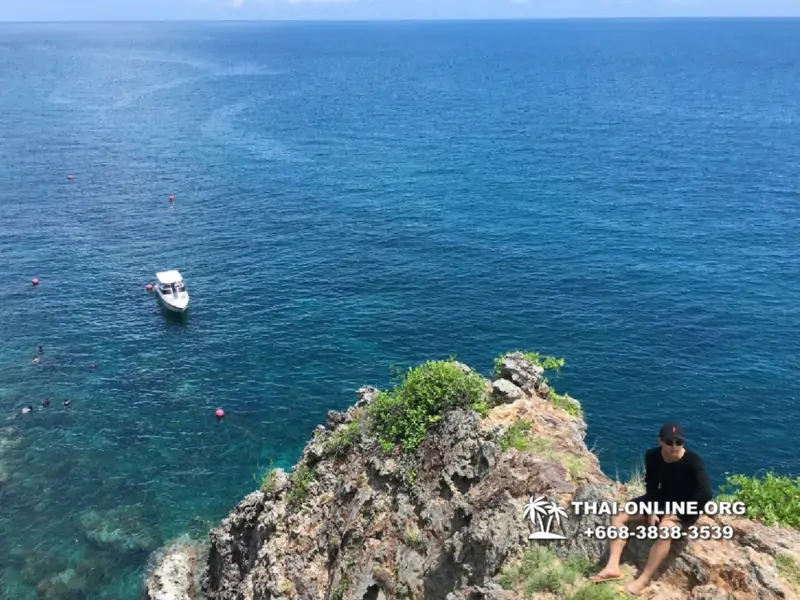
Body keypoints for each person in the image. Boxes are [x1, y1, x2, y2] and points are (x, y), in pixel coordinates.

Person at [590, 423, 713, 595]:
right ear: (660, 441)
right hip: (660, 500)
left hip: (685, 507)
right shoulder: (652, 456)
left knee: (665, 531)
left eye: (679, 442)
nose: (674, 447)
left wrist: (678, 514)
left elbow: (705, 493)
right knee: (618, 514)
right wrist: (652, 509)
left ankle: (643, 580)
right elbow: (652, 485)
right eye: (670, 442)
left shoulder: (693, 461)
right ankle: (612, 566)